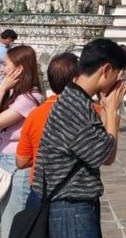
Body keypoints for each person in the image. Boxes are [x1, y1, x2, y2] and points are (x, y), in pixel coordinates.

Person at [31, 38, 126, 238]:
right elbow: (106, 155)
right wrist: (111, 110)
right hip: (70, 207)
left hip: (73, 204)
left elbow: (102, 147)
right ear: (106, 69)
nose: (119, 82)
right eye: (119, 75)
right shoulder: (74, 107)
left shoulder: (76, 99)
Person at [0, 44, 43, 238]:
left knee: (11, 231)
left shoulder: (30, 98)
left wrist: (1, 87)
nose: (1, 69)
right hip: (2, 163)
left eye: (5, 64)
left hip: (17, 167)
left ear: (19, 68)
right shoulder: (17, 96)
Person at [16, 53, 80, 185]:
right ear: (76, 80)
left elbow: (21, 161)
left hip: (41, 186)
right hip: (74, 190)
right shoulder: (91, 111)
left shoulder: (35, 114)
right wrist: (112, 110)